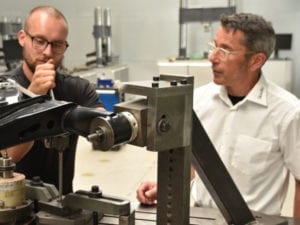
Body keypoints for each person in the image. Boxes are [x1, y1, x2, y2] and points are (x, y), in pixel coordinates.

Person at [136, 13, 300, 217]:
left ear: (256, 61)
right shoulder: (198, 100)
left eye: (225, 50)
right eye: (214, 46)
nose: (212, 57)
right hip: (201, 217)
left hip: (256, 221)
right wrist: (166, 186)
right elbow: (195, 162)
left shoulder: (287, 113)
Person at [1, 5, 104, 194]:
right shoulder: (4, 89)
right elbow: (7, 157)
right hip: (12, 205)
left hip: (61, 206)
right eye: (40, 41)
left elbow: (104, 130)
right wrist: (33, 98)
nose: (48, 52)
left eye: (57, 44)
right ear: (23, 38)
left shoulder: (77, 89)